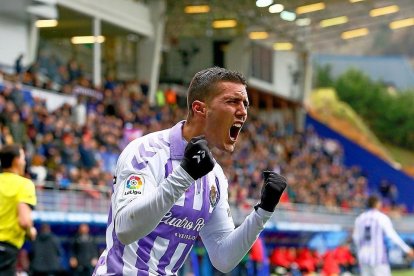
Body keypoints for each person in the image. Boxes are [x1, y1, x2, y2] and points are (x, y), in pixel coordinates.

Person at [93, 67, 287, 275]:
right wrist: (184, 175)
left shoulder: (215, 176)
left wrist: (263, 212)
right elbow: (124, 229)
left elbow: (223, 258)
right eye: (232, 101)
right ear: (199, 108)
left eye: (245, 104)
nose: (243, 111)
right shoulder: (146, 152)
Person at [352, 195, 414, 276]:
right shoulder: (381, 217)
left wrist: (359, 253)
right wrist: (407, 249)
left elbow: (355, 238)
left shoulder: (360, 218)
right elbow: (392, 235)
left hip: (363, 257)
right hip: (378, 258)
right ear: (377, 204)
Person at [0, 144, 37, 275]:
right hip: (6, 249)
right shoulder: (24, 184)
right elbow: (24, 221)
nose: (24, 161)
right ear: (16, 160)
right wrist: (30, 231)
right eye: (23, 158)